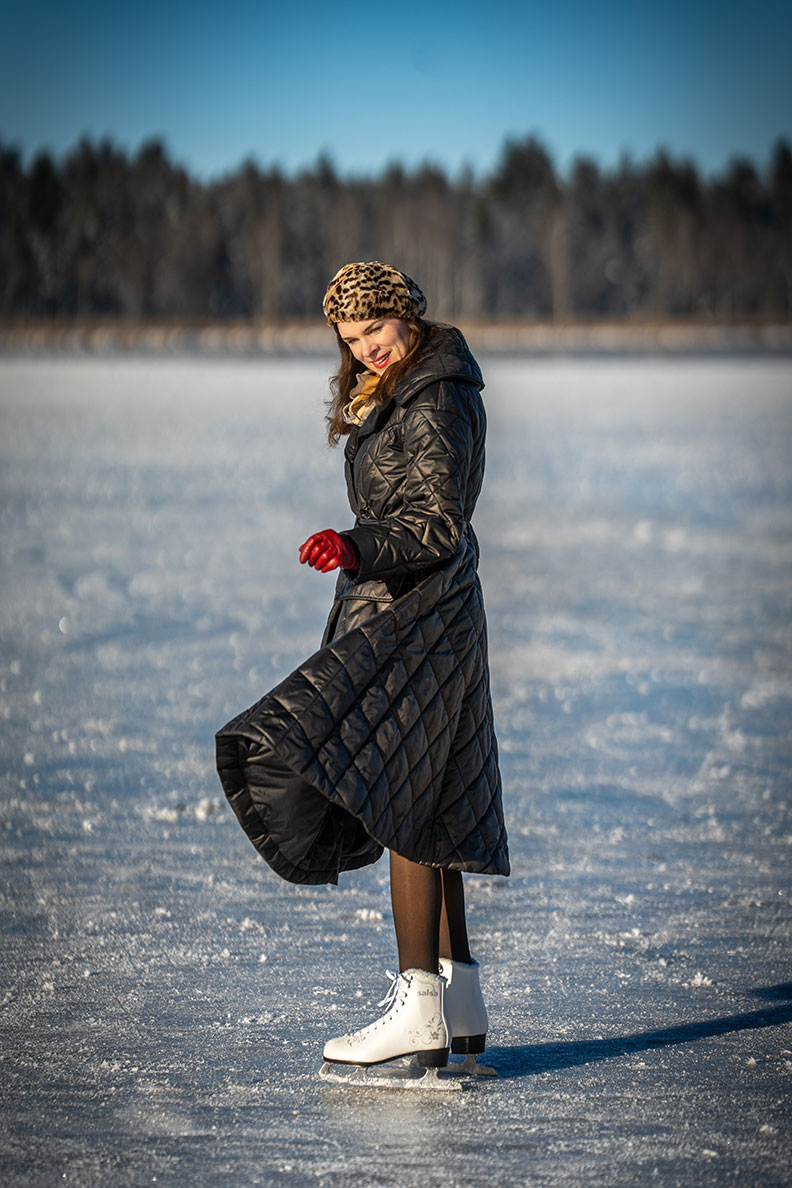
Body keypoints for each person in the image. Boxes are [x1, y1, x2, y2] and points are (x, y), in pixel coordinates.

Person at [216, 261, 509, 1076]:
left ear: (406, 314)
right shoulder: (396, 389)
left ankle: (418, 1002)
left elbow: (438, 523)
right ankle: (459, 1000)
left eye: (376, 330)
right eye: (351, 340)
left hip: (421, 612)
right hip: (416, 612)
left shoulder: (436, 394)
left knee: (404, 798)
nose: (367, 349)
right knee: (438, 797)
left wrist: (356, 545)